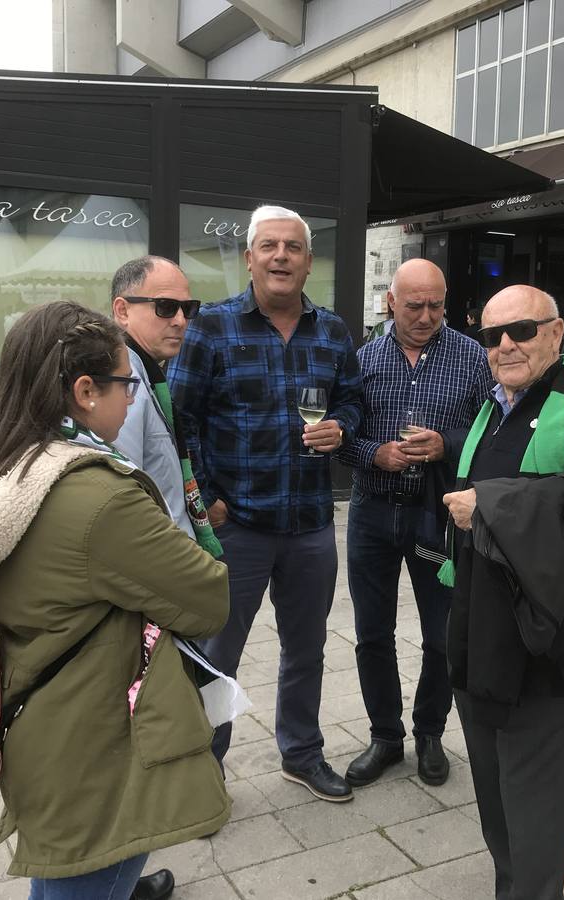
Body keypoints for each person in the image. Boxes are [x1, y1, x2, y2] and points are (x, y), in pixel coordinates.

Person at [0, 302, 230, 900]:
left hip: (45, 724)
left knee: (63, 883)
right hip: (96, 746)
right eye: (125, 384)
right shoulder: (99, 496)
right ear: (85, 391)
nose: (132, 399)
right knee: (86, 881)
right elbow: (209, 598)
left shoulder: (4, 466)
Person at [441, 285, 564, 900]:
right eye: (492, 334)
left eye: (521, 330)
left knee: (537, 792)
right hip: (479, 621)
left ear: (558, 334)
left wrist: (492, 506)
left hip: (543, 631)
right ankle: (513, 885)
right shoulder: (490, 406)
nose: (504, 345)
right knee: (493, 783)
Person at [168, 204, 363, 802]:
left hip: (308, 525)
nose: (281, 256)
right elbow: (181, 420)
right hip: (239, 527)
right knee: (217, 653)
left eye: (294, 247)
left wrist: (342, 429)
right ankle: (204, 768)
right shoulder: (213, 327)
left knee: (306, 649)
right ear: (249, 258)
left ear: (308, 262)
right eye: (269, 246)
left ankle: (301, 754)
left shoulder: (331, 331)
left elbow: (353, 401)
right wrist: (208, 501)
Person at [336, 258, 492, 789]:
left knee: (444, 634)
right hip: (373, 512)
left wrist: (445, 443)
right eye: (414, 305)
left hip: (439, 512)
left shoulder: (471, 356)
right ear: (390, 302)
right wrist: (372, 453)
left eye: (435, 305)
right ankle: (385, 736)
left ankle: (429, 732)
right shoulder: (363, 358)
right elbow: (342, 432)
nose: (426, 316)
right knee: (371, 633)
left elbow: (488, 429)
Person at [110, 256, 222, 560]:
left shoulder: (147, 374)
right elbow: (119, 499)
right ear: (122, 311)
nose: (180, 320)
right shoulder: (121, 381)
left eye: (188, 308)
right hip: (155, 563)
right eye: (165, 307)